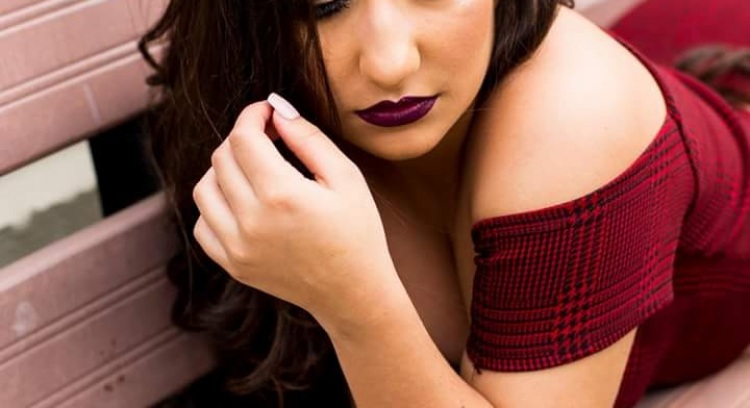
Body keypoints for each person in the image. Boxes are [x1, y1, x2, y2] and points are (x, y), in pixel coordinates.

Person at [138, 1, 750, 407]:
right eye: (321, 5)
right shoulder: (260, 113)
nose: (389, 63)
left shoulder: (578, 118)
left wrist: (354, 302)